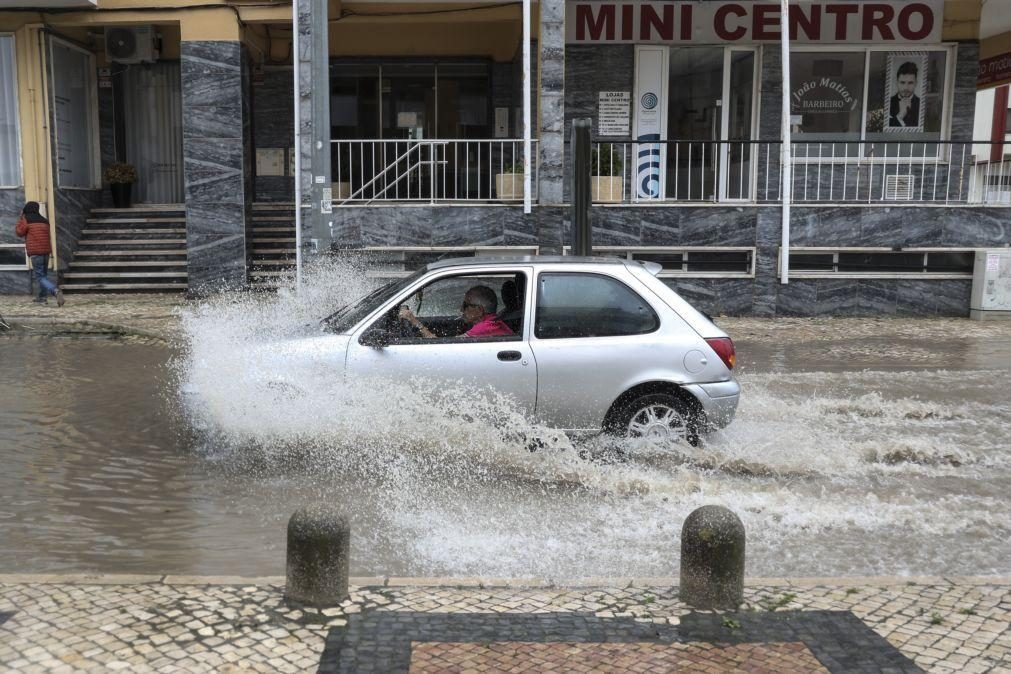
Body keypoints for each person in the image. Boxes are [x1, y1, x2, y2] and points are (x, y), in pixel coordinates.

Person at [399, 284, 513, 339]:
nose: (461, 309)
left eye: (465, 305)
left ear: (479, 310)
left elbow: (442, 347)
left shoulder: (485, 328)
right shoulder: (493, 322)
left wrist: (414, 321)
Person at [15, 201, 64, 307]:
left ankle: (55, 291)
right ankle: (42, 298)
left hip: (36, 253)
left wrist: (20, 219)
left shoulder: (26, 220)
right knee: (43, 276)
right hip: (46, 252)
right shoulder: (45, 221)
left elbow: (19, 232)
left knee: (40, 277)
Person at [888, 61, 921, 129]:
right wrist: (900, 116)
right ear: (897, 82)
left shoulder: (921, 104)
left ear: (916, 83)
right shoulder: (888, 103)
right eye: (902, 82)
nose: (906, 88)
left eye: (910, 83)